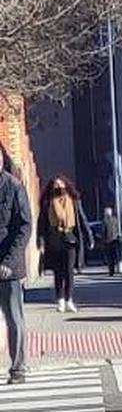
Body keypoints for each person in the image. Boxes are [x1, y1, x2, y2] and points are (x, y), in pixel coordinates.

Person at [0, 149, 32, 384]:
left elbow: (24, 227)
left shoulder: (14, 187)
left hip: (9, 267)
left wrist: (9, 262)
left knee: (13, 318)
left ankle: (18, 367)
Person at [37, 177, 90, 314]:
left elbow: (82, 219)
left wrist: (89, 235)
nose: (59, 189)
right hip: (54, 241)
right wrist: (40, 241)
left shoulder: (73, 201)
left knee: (69, 271)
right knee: (58, 272)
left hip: (70, 240)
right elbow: (41, 223)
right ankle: (60, 300)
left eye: (61, 186)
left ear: (67, 186)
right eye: (56, 186)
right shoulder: (47, 202)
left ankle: (69, 300)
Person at [102, 206, 122, 276]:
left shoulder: (105, 221)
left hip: (108, 241)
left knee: (109, 257)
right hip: (115, 240)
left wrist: (103, 239)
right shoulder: (115, 220)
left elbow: (103, 231)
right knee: (114, 256)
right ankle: (115, 268)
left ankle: (111, 271)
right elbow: (117, 229)